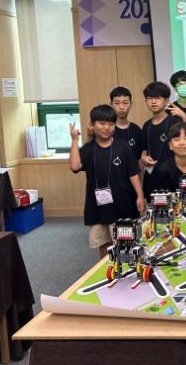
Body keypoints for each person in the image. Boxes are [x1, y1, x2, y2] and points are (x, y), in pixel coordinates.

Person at [68, 105, 145, 258]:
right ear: (92, 125)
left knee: (127, 244)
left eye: (110, 124)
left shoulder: (123, 147)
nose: (107, 128)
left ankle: (126, 269)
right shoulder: (88, 149)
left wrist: (140, 195)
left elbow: (133, 173)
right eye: (102, 123)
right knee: (104, 244)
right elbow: (75, 166)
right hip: (97, 208)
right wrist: (75, 140)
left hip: (123, 204)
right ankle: (107, 269)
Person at [140, 82, 177, 199]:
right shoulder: (146, 125)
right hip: (151, 176)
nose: (153, 102)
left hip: (170, 176)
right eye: (149, 98)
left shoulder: (175, 123)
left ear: (166, 101)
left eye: (157, 98)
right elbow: (144, 149)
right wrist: (143, 157)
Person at [109, 86, 142, 161]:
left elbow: (140, 159)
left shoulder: (136, 130)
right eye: (117, 103)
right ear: (111, 105)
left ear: (131, 105)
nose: (121, 107)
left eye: (125, 103)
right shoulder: (106, 130)